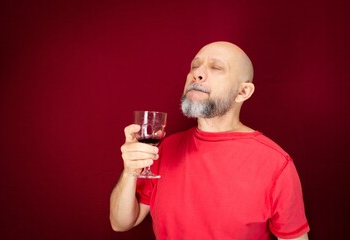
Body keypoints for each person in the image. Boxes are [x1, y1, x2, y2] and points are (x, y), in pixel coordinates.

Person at [110, 41, 310, 240]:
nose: (197, 74)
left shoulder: (276, 164)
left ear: (243, 92)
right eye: (195, 66)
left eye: (216, 67)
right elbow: (121, 223)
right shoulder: (165, 148)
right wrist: (129, 172)